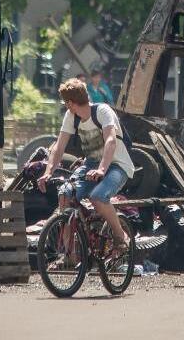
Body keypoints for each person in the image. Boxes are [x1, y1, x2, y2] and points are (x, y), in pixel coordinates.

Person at [38, 78, 134, 252]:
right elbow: (59, 147)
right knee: (65, 194)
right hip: (91, 164)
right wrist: (48, 171)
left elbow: (111, 141)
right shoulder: (71, 116)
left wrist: (102, 169)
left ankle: (120, 236)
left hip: (117, 165)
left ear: (70, 103)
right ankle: (69, 253)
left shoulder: (103, 111)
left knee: (97, 197)